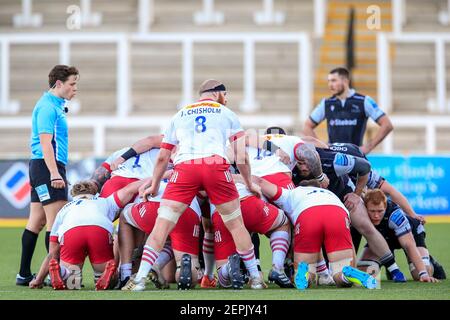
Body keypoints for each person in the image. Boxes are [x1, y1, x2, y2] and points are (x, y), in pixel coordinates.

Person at [122, 79, 264, 291]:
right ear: (217, 94)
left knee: (162, 225)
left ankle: (140, 279)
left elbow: (163, 156)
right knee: (235, 224)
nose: (226, 100)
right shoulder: (227, 114)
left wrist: (153, 185)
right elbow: (241, 155)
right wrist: (248, 182)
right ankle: (255, 279)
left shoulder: (179, 115)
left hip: (185, 168)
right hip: (215, 166)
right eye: (225, 95)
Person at [293, 143, 407, 282]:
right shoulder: (289, 164)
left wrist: (356, 194)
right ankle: (314, 271)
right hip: (314, 204)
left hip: (343, 196)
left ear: (316, 158)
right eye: (300, 163)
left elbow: (365, 167)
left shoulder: (333, 161)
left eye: (307, 163)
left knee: (365, 226)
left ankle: (393, 269)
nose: (304, 167)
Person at [253, 177, 378, 290]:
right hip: (337, 213)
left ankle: (304, 272)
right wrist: (352, 264)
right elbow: (349, 243)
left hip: (308, 214)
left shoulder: (292, 192)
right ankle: (347, 273)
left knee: (307, 277)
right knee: (340, 276)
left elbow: (260, 182)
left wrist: (239, 177)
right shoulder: (330, 194)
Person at [16, 65, 79, 286]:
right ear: (59, 84)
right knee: (57, 222)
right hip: (46, 167)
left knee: (37, 220)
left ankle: (24, 274)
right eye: (72, 84)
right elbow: (45, 142)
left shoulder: (54, 105)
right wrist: (54, 173)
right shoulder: (47, 108)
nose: (75, 88)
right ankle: (55, 274)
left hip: (41, 167)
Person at [28, 179, 143, 290]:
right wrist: (155, 179)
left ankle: (62, 272)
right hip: (98, 230)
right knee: (110, 281)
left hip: (71, 232)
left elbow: (52, 253)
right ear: (94, 193)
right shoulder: (105, 201)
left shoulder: (64, 209)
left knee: (72, 282)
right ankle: (106, 273)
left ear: (74, 195)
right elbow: (129, 190)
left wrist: (39, 279)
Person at [303, 67, 393, 155]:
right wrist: (322, 147)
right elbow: (307, 126)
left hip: (356, 157)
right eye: (329, 81)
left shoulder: (363, 101)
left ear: (345, 81)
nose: (330, 85)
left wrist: (368, 147)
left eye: (334, 80)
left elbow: (387, 125)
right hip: (334, 158)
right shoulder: (326, 103)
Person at [359, 189, 444, 282]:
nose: (376, 215)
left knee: (418, 274)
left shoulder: (395, 215)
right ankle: (390, 263)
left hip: (412, 234)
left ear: (385, 206)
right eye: (372, 211)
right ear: (365, 207)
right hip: (382, 239)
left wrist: (423, 273)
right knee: (366, 272)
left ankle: (431, 262)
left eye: (380, 211)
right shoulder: (360, 212)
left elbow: (408, 245)